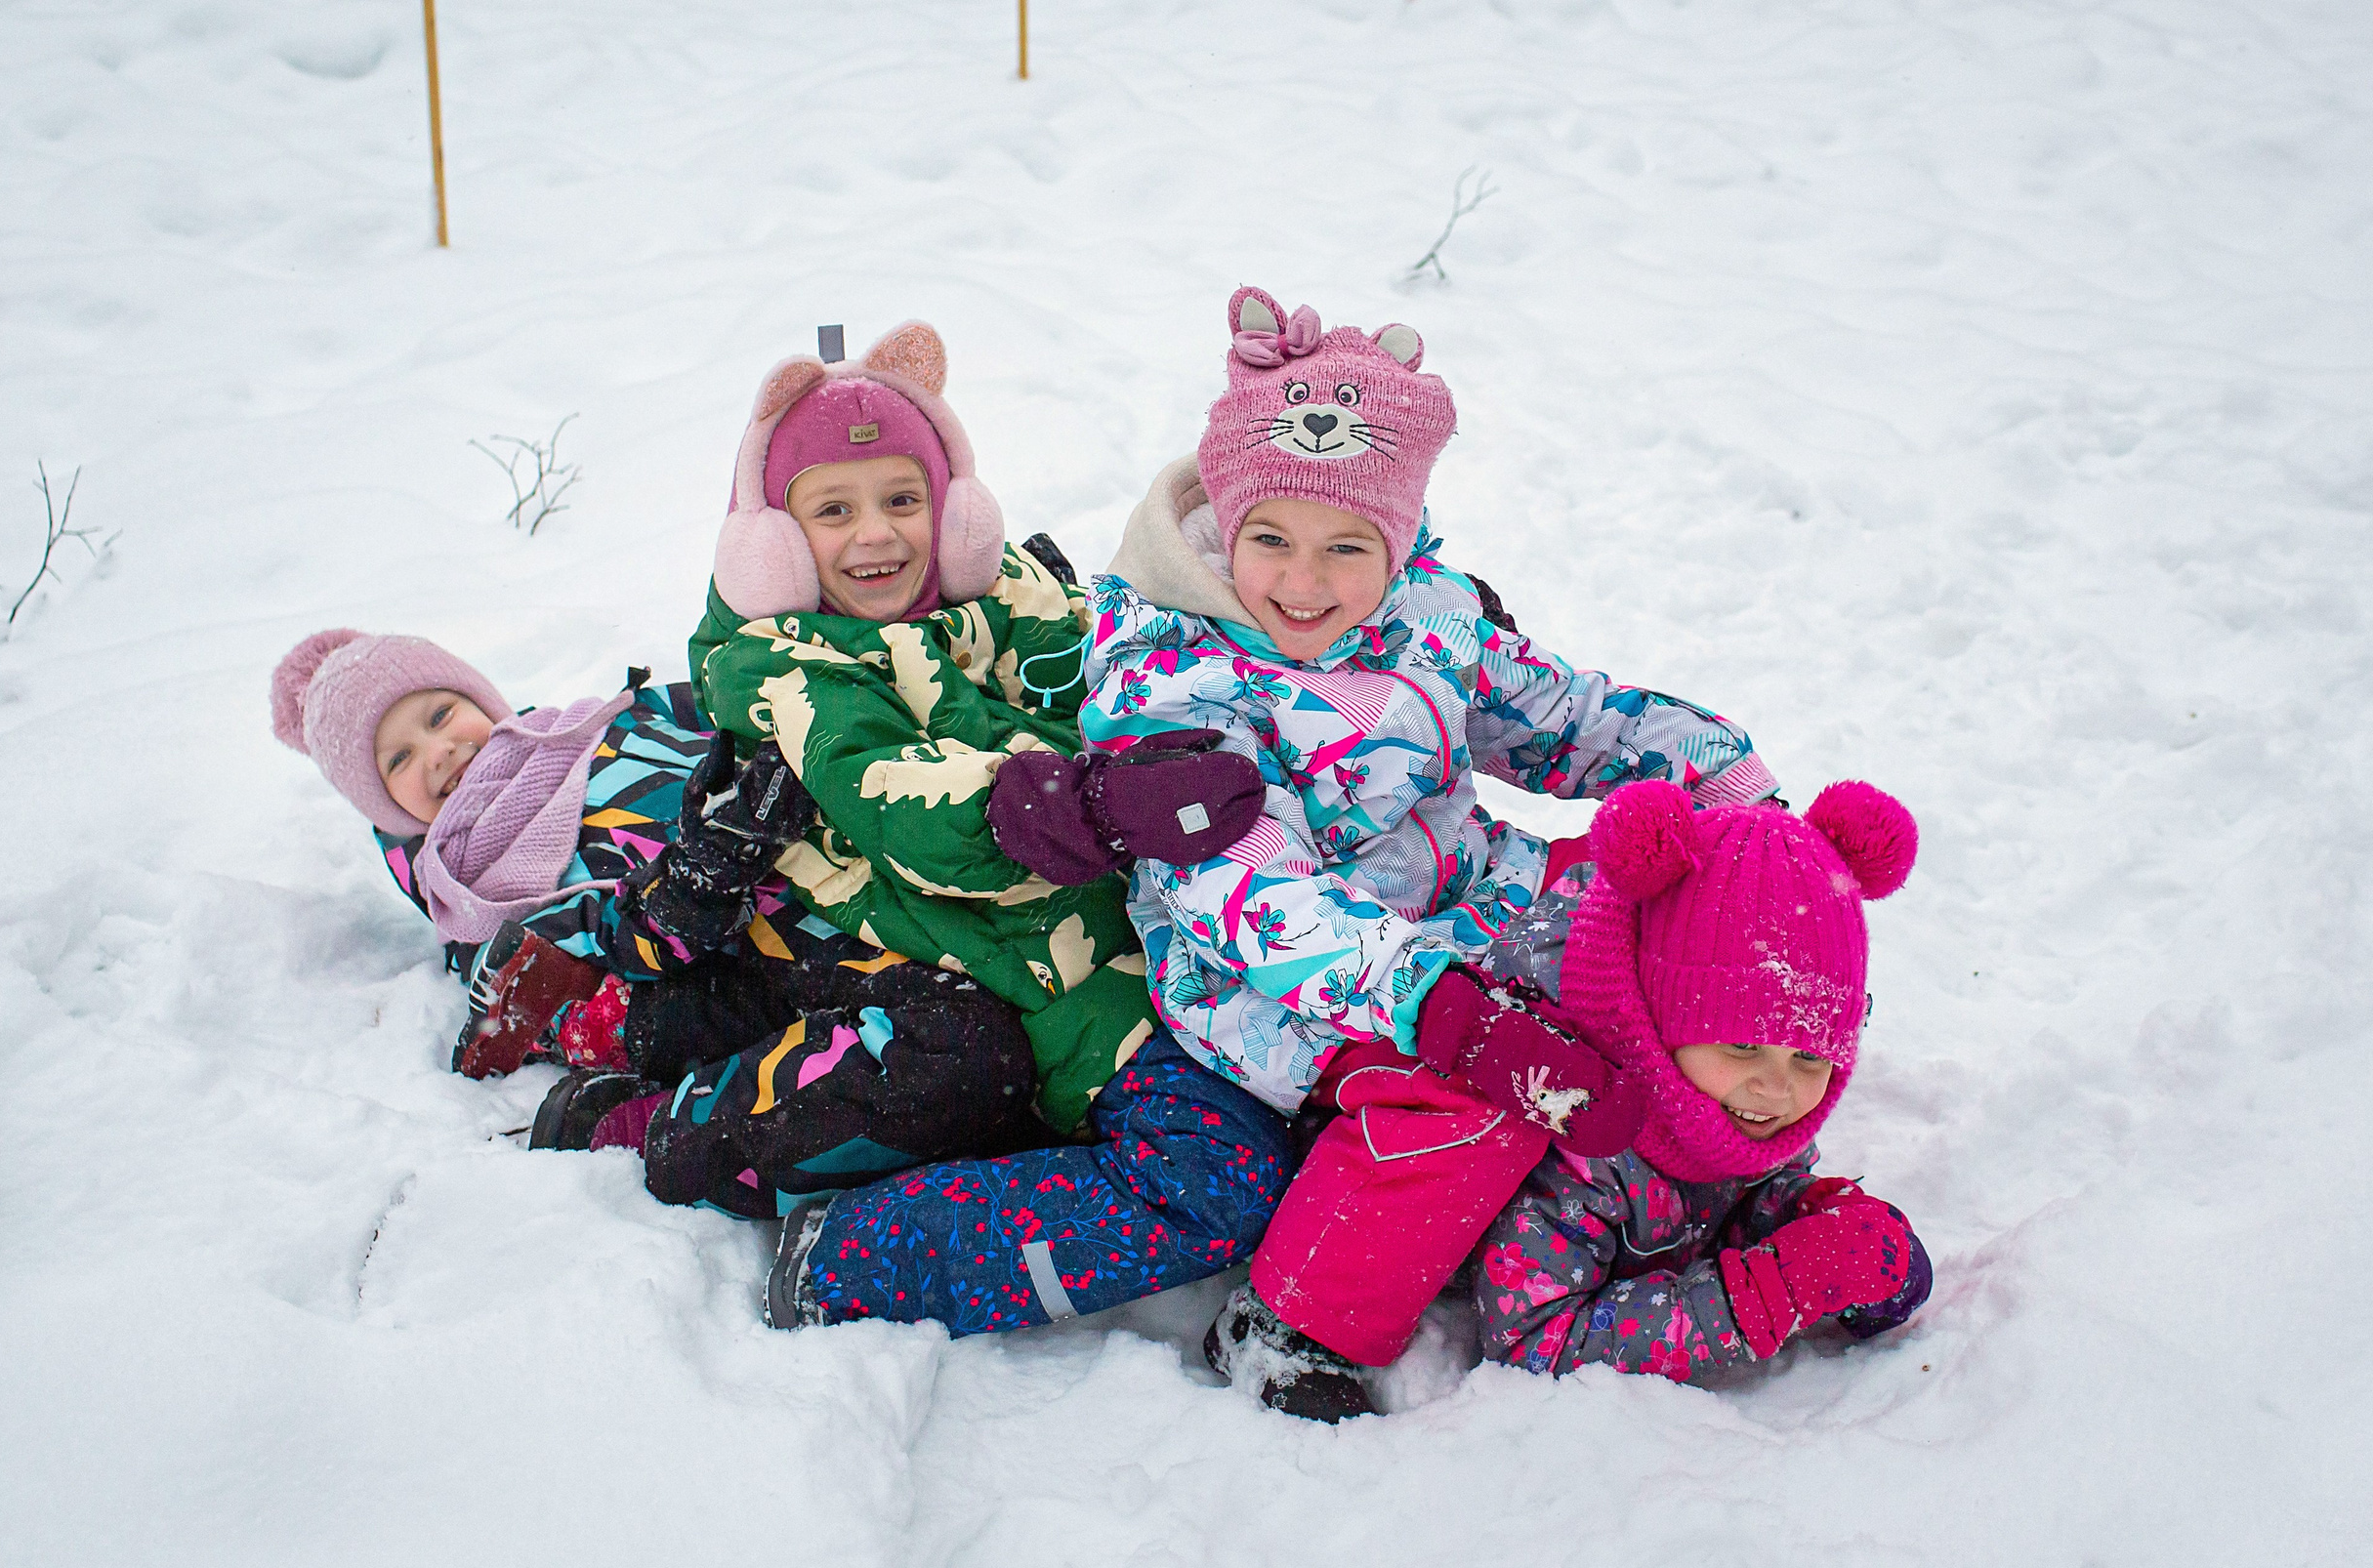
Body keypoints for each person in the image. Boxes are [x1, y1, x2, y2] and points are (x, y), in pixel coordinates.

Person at [1078, 287, 1780, 1418]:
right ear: (1226, 525)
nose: (1304, 584)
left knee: (1663, 911)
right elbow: (1249, 895)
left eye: (1346, 548)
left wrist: (1730, 791)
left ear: (1396, 542)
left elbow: (1568, 720)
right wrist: (1435, 1003)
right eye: (1271, 542)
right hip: (1281, 977)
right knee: (1454, 1100)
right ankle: (1294, 1320)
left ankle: (1692, 1165)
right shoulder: (1178, 684)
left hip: (1464, 902)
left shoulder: (1429, 619)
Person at [689, 320, 1293, 1334]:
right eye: (833, 510)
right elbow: (903, 799)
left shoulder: (1012, 593)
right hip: (1039, 960)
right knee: (1220, 1178)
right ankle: (853, 1260)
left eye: (902, 500)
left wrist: (1372, 648)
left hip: (1188, 920)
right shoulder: (793, 672)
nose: (877, 534)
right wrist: (1089, 803)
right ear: (778, 544)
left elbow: (1140, 666)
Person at [268, 629, 1044, 1217]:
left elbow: (743, 707)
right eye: (397, 759)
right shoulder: (475, 891)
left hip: (855, 867)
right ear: (383, 806)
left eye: (441, 713)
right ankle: (670, 1130)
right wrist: (702, 872)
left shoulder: (616, 718)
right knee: (968, 1053)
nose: (438, 751)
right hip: (765, 969)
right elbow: (598, 956)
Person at [1474, 778, 1933, 1382]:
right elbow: (1530, 1339)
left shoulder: (1744, 1106)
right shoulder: (1578, 1133)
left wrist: (1815, 1222)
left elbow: (1741, 1197)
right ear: (1657, 1024)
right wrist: (1762, 1296)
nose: (1776, 1089)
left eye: (1810, 1058)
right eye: (1743, 1047)